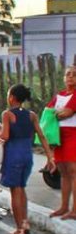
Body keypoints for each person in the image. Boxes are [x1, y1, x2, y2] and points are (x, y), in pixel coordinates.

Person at [0, 84, 55, 234]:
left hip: (13, 155)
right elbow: (42, 137)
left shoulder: (7, 114)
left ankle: (19, 230)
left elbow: (5, 136)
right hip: (27, 155)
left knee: (15, 191)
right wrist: (50, 157)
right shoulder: (32, 115)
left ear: (12, 97)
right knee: (22, 189)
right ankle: (25, 223)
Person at [50, 66, 76, 219]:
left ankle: (74, 210)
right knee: (64, 173)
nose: (71, 77)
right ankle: (64, 206)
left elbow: (65, 113)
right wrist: (56, 114)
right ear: (64, 77)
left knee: (73, 172)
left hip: (73, 135)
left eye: (74, 74)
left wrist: (56, 113)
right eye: (68, 74)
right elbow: (48, 113)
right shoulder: (59, 95)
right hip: (58, 136)